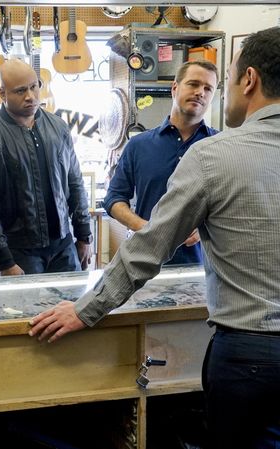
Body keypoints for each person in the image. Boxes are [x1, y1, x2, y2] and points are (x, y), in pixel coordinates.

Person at [29, 27, 280, 449]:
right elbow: (116, 202)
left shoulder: (214, 153)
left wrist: (86, 309)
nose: (207, 93)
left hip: (247, 356)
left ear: (249, 80)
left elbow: (146, 251)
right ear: (175, 88)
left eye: (221, 82)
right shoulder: (144, 146)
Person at [0, 58, 92, 276]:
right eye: (20, 90)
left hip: (64, 246)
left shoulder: (59, 127)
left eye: (34, 86)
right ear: (2, 94)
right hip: (20, 252)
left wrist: (84, 236)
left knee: (74, 299)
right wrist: (5, 261)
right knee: (31, 302)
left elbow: (75, 183)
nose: (30, 96)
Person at [104, 60, 218, 265]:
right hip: (145, 263)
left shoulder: (221, 146)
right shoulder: (138, 145)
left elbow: (234, 204)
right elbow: (113, 199)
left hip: (202, 267)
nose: (200, 92)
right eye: (193, 84)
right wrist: (146, 228)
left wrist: (206, 228)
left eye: (208, 88)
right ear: (175, 88)